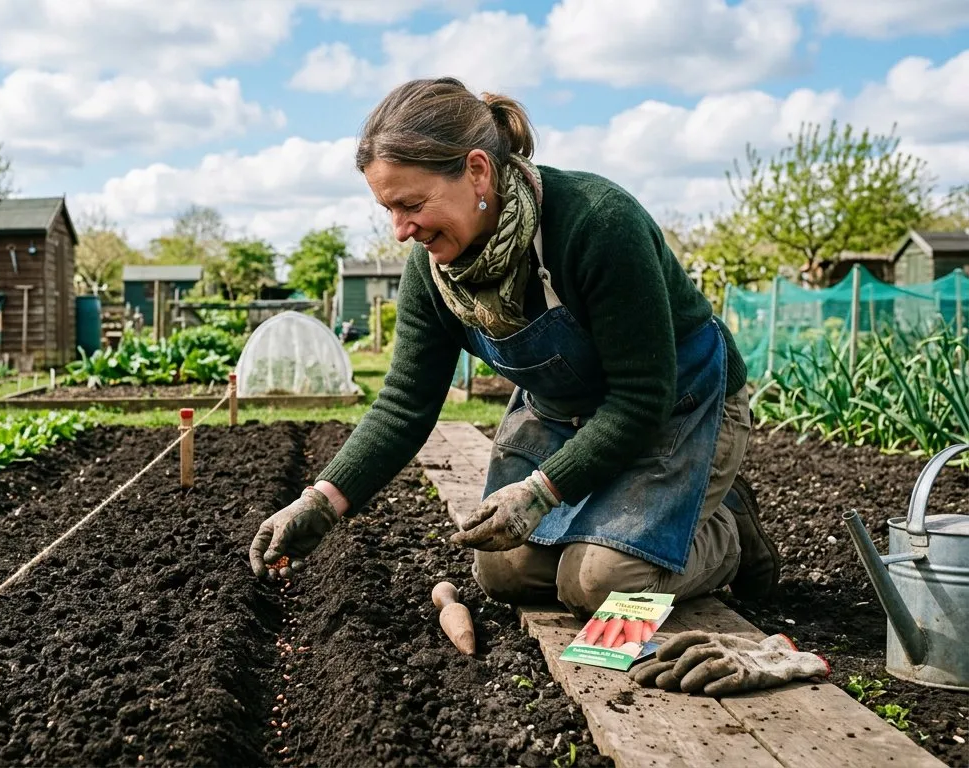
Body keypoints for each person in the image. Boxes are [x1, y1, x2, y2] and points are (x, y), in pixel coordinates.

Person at [248, 77, 781, 620]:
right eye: (388, 209)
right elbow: (406, 402)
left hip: (678, 410)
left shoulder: (596, 224)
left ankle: (724, 536)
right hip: (566, 415)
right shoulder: (433, 272)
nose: (400, 231)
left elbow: (641, 397)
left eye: (410, 204)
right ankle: (628, 536)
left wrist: (542, 492)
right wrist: (320, 501)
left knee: (601, 588)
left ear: (477, 170)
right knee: (503, 571)